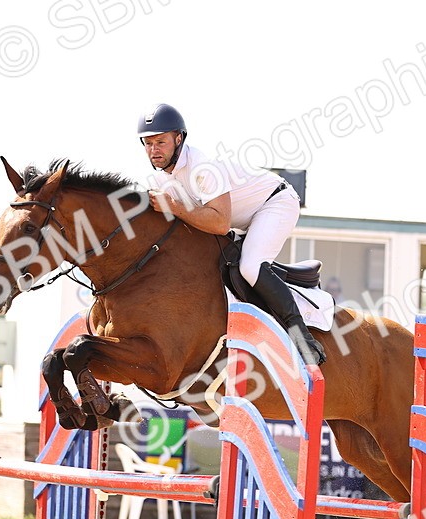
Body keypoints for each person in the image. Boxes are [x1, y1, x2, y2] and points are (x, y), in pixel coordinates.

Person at [138, 103, 325, 365]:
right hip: (243, 218)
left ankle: (302, 337)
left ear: (178, 139)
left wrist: (175, 207)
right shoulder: (159, 180)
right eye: (148, 143)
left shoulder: (202, 167)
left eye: (161, 142)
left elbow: (219, 223)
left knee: (250, 266)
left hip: (275, 202)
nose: (154, 150)